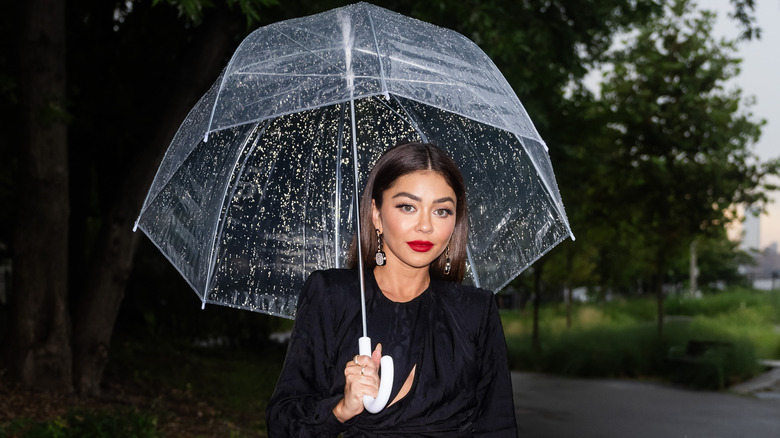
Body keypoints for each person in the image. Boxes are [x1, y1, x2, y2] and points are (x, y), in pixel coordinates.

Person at [265, 142, 517, 437]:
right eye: (407, 206)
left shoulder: (476, 309)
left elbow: (498, 426)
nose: (425, 225)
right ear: (375, 213)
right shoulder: (332, 295)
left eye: (442, 211)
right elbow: (282, 423)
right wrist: (342, 408)